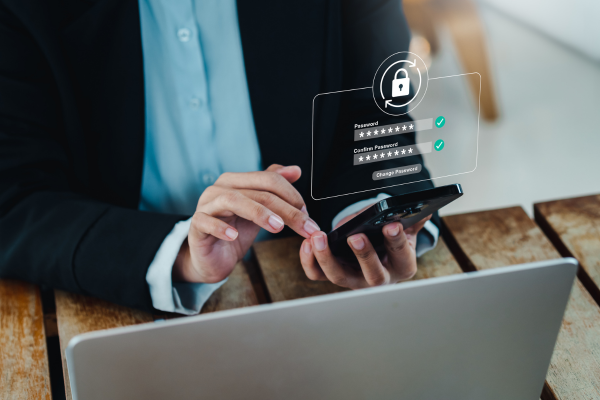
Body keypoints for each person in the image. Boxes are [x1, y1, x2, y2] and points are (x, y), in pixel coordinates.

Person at [0, 0, 439, 314]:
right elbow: (14, 199)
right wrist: (175, 255)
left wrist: (367, 219)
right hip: (108, 302)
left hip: (312, 290)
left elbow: (374, 115)